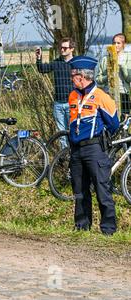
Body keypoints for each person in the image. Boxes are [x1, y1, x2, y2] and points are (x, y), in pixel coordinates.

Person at [68, 56, 120, 236]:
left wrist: (100, 138)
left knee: (102, 189)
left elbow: (114, 124)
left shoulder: (101, 97)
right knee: (79, 191)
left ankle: (108, 229)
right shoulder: (73, 95)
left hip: (94, 149)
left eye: (73, 75)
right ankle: (82, 226)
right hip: (76, 149)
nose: (71, 77)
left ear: (82, 76)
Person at [36, 38, 76, 149]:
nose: (62, 49)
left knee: (73, 131)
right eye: (61, 47)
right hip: (58, 104)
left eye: (65, 48)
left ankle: (75, 156)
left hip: (72, 104)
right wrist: (39, 58)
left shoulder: (76, 64)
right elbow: (42, 69)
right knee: (61, 134)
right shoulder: (57, 63)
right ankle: (65, 156)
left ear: (71, 49)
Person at [96, 33, 131, 117]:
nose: (116, 45)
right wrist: (108, 76)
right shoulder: (105, 59)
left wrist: (122, 66)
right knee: (109, 118)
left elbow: (129, 78)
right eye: (114, 43)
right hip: (108, 93)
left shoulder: (128, 57)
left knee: (124, 119)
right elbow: (98, 79)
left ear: (123, 44)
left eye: (118, 43)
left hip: (123, 92)